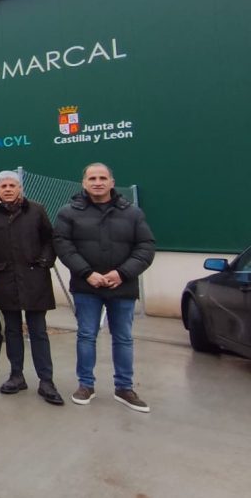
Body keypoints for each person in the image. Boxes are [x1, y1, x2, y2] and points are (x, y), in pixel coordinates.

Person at [53, 162, 155, 413]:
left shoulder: (132, 213)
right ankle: (86, 385)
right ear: (84, 183)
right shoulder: (69, 212)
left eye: (102, 178)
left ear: (111, 182)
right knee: (86, 335)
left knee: (123, 338)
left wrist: (122, 273)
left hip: (122, 287)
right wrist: (87, 273)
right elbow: (63, 246)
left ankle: (124, 388)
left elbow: (145, 247)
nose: (97, 182)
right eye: (92, 178)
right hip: (87, 287)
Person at [0, 170, 63, 405]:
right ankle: (16, 376)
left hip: (34, 278)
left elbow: (50, 239)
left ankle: (46, 381)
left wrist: (45, 261)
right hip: (2, 280)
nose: (7, 189)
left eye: (12, 185)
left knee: (38, 331)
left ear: (20, 188)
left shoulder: (36, 210)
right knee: (12, 331)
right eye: (3, 185)